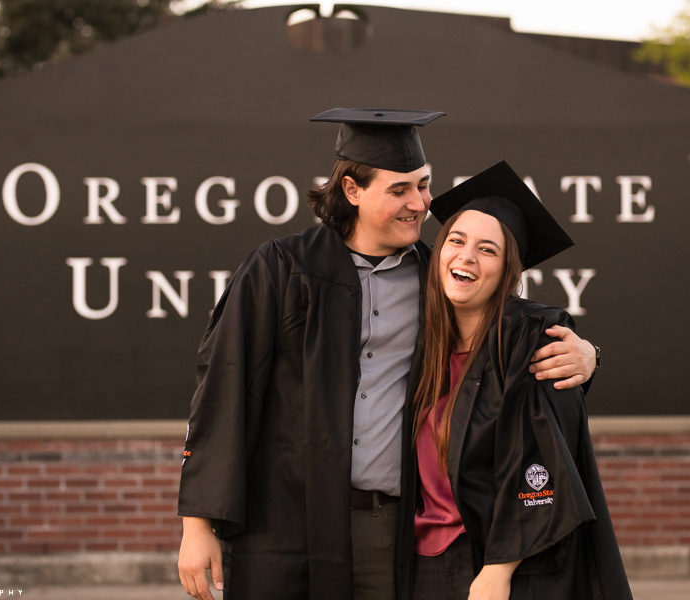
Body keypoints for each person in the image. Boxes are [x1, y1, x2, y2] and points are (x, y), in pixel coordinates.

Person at [176, 110, 599, 600]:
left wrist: (587, 355)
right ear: (353, 191)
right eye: (400, 190)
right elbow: (222, 390)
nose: (420, 204)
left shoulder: (435, 278)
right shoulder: (280, 269)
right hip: (284, 527)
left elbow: (501, 349)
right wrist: (196, 525)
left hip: (389, 530)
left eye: (424, 185)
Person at [398, 161, 631, 600]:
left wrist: (497, 569)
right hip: (423, 566)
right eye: (456, 240)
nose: (465, 257)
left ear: (508, 270)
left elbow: (540, 459)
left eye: (487, 250)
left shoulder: (531, 338)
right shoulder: (421, 343)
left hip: (501, 568)